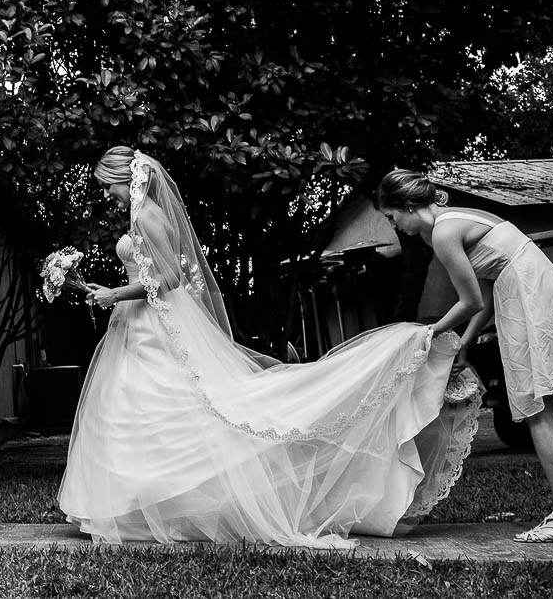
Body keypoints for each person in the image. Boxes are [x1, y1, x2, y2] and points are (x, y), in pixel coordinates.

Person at [57, 148, 478, 549]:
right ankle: (135, 506)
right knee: (137, 413)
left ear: (123, 180)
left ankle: (162, 504)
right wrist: (111, 292)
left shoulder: (148, 215)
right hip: (136, 326)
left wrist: (117, 293)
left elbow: (168, 278)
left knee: (176, 410)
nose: (106, 196)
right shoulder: (140, 215)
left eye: (107, 186)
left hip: (155, 327)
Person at [377, 169, 553, 543]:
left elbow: (471, 301)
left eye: (391, 217)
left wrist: (427, 333)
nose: (394, 226)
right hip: (527, 289)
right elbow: (484, 290)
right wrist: (464, 342)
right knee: (540, 405)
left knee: (535, 407)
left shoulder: (443, 233)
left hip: (528, 294)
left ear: (407, 205)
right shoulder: (455, 221)